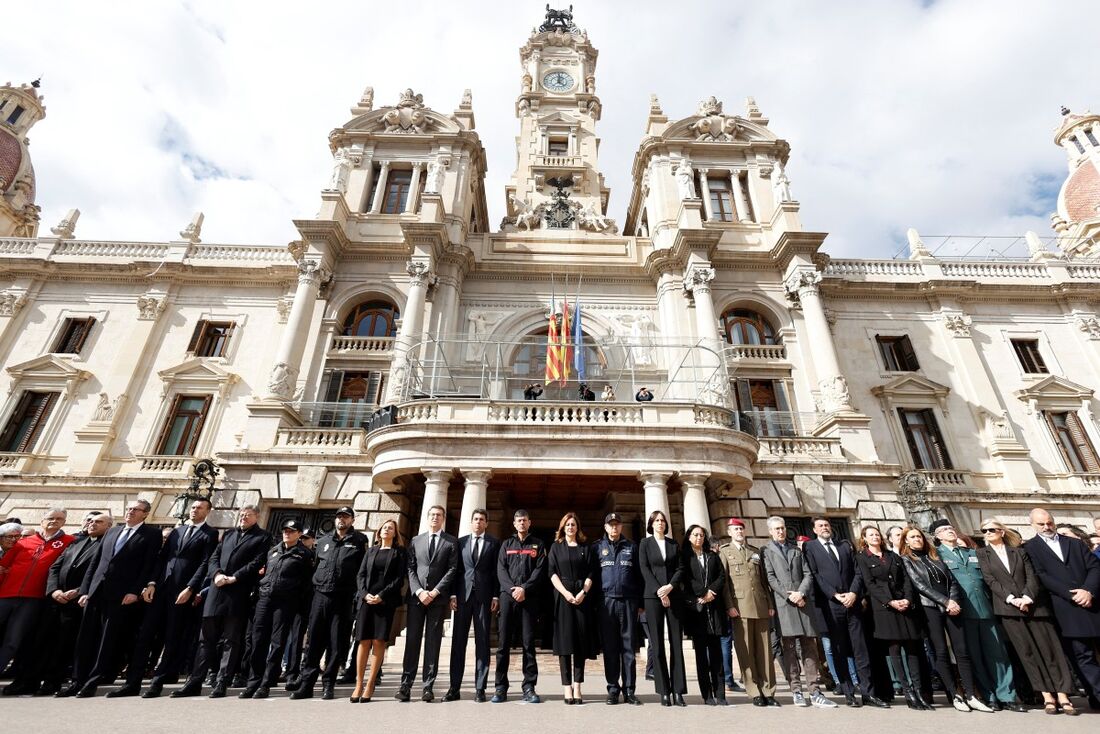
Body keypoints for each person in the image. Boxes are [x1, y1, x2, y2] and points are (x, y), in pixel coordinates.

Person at [108, 498, 220, 698]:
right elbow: (162, 557)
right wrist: (151, 583)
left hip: (181, 591)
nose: (194, 510)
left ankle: (157, 683)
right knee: (144, 636)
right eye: (193, 507)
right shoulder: (177, 531)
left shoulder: (210, 533)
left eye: (199, 508)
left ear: (208, 511)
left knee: (171, 638)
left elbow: (205, 563)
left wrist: (191, 588)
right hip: (160, 588)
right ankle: (132, 683)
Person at [977, 519, 1077, 715]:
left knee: (1050, 650)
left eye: (991, 530)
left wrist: (1027, 596)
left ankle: (1063, 694)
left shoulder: (1020, 551)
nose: (987, 533)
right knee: (1027, 653)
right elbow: (990, 580)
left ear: (1002, 532)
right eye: (984, 531)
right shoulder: (982, 554)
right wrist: (1011, 599)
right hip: (1008, 609)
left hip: (1033, 606)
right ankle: (1047, 695)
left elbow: (1032, 576)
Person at [63, 501, 161, 698]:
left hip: (122, 594)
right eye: (129, 509)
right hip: (97, 591)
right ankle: (77, 680)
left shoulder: (152, 534)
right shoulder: (112, 531)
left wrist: (135, 591)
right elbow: (96, 562)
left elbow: (149, 565)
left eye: (136, 510)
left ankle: (93, 681)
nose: (130, 512)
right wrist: (85, 591)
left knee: (107, 640)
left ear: (145, 514)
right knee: (86, 638)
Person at [171, 504, 270, 698]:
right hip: (216, 592)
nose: (243, 517)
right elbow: (214, 557)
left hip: (237, 593)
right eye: (241, 514)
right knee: (204, 640)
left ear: (256, 517)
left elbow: (257, 562)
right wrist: (216, 574)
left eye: (248, 515)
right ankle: (195, 681)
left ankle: (222, 682)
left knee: (230, 641)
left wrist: (235, 577)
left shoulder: (262, 537)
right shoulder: (229, 534)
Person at [932, 519, 1022, 711]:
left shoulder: (973, 553)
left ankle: (1008, 695)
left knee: (998, 654)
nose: (950, 531)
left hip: (986, 609)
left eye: (951, 528)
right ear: (937, 537)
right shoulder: (937, 556)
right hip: (962, 613)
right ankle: (989, 696)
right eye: (944, 530)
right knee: (975, 657)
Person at [900, 526, 990, 713]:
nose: (917, 539)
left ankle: (971, 694)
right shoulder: (907, 560)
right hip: (929, 607)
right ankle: (954, 693)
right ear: (906, 541)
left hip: (951, 606)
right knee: (940, 651)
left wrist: (954, 600)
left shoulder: (935, 556)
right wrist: (944, 601)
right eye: (912, 537)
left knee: (962, 650)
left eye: (919, 536)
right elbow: (919, 585)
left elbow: (952, 580)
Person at [801, 517, 886, 708]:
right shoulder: (810, 547)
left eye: (827, 525)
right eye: (820, 526)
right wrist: (834, 595)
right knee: (839, 650)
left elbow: (857, 572)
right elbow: (814, 575)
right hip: (831, 606)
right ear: (814, 530)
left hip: (852, 604)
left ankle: (868, 694)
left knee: (861, 650)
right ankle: (849, 693)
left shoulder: (844, 545)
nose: (824, 528)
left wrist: (854, 593)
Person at [1022, 508, 1100, 705]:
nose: (1047, 527)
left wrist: (1088, 590)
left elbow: (1094, 567)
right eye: (1041, 524)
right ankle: (1096, 695)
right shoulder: (1029, 548)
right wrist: (1071, 594)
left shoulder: (1074, 543)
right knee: (1081, 656)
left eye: (1049, 522)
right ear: (1032, 525)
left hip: (1092, 603)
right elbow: (1041, 575)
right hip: (1065, 608)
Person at [291, 506, 368, 700]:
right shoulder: (323, 541)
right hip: (320, 596)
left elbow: (362, 571)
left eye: (346, 517)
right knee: (314, 641)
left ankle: (328, 683)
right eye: (339, 517)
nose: (341, 520)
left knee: (336, 643)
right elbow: (315, 566)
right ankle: (307, 684)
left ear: (352, 520)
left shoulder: (359, 541)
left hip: (342, 597)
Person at [31, 512, 110, 696]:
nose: (92, 524)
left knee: (68, 646)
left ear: (108, 527)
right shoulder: (76, 542)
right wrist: (54, 590)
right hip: (57, 600)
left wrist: (79, 590)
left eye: (98, 522)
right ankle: (38, 681)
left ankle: (64, 682)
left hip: (80, 602)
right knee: (46, 642)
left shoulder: (106, 545)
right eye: (90, 521)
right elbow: (55, 567)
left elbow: (100, 571)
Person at [761, 516, 835, 708]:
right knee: (789, 650)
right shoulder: (766, 551)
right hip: (784, 604)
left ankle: (815, 691)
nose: (780, 531)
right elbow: (770, 577)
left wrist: (801, 592)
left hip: (803, 603)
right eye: (776, 529)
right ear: (770, 531)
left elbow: (808, 573)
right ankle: (796, 690)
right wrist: (789, 595)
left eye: (783, 528)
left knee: (809, 647)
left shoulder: (796, 549)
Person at [853, 526, 927, 710]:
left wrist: (907, 599)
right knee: (895, 650)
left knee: (912, 649)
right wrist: (890, 601)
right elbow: (870, 584)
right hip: (885, 609)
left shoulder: (893, 556)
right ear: (864, 538)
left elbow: (906, 580)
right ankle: (907, 691)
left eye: (877, 534)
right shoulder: (862, 558)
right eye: (871, 535)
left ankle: (918, 691)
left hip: (904, 605)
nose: (875, 537)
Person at [0, 507, 73, 692]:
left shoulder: (69, 542)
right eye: (50, 518)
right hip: (5, 595)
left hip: (34, 600)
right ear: (42, 520)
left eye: (59, 519)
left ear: (64, 522)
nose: (54, 521)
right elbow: (3, 565)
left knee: (13, 641)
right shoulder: (24, 542)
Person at [239, 519, 314, 699]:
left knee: (277, 643)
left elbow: (306, 583)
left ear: (298, 534)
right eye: (285, 530)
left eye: (291, 531)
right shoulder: (272, 551)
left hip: (285, 603)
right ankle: (253, 682)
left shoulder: (304, 554)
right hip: (265, 600)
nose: (287, 533)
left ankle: (266, 683)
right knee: (257, 641)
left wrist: (299, 605)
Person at [396, 504, 458, 703]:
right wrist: (420, 591)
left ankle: (427, 687)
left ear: (443, 518)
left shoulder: (451, 542)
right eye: (432, 515)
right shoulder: (416, 540)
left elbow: (452, 569)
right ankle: (405, 685)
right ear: (427, 517)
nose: (435, 518)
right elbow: (411, 568)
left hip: (437, 600)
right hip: (417, 599)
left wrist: (435, 591)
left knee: (433, 643)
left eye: (439, 515)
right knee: (412, 641)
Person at [720, 518, 777, 707]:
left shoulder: (755, 551)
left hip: (760, 604)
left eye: (741, 529)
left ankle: (768, 690)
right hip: (740, 606)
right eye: (735, 529)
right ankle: (753, 691)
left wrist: (769, 603)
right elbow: (725, 583)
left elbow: (762, 581)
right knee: (746, 651)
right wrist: (729, 605)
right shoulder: (725, 551)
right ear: (729, 532)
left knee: (765, 652)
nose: (739, 532)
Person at [446, 508, 500, 702]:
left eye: (482, 519)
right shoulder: (460, 543)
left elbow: (496, 572)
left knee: (483, 643)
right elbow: (455, 570)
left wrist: (495, 596)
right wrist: (452, 594)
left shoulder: (494, 543)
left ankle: (480, 688)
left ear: (486, 523)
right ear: (471, 522)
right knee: (458, 643)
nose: (478, 522)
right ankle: (454, 688)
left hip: (484, 598)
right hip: (462, 597)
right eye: (475, 519)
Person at [493, 509, 546, 704]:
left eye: (524, 520)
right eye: (518, 521)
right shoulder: (506, 544)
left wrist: (524, 588)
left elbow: (540, 571)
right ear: (514, 524)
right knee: (503, 645)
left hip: (529, 599)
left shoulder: (538, 545)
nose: (522, 523)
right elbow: (500, 570)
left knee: (528, 644)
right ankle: (500, 687)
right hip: (507, 598)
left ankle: (529, 686)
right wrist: (512, 589)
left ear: (529, 522)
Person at [351, 519, 406, 702]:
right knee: (363, 641)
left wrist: (381, 595)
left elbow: (399, 579)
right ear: (379, 531)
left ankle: (370, 684)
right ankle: (359, 683)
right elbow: (361, 575)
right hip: (367, 601)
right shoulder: (371, 551)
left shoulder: (399, 553)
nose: (386, 530)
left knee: (378, 640)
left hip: (385, 602)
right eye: (384, 527)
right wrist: (365, 594)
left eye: (390, 528)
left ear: (395, 533)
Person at [639, 510, 687, 707]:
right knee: (657, 644)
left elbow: (680, 568)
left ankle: (678, 691)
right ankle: (663, 691)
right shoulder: (645, 544)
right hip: (653, 596)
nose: (660, 523)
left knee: (676, 643)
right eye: (657, 520)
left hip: (673, 595)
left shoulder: (674, 544)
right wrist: (660, 590)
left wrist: (669, 587)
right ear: (651, 524)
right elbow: (644, 568)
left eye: (663, 520)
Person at [548, 512, 596, 705]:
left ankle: (578, 685)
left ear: (578, 528)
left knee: (580, 644)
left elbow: (592, 572)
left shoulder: (586, 547)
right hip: (563, 597)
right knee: (565, 643)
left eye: (573, 525)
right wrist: (565, 593)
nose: (570, 528)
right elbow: (551, 572)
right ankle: (566, 686)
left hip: (582, 597)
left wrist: (582, 593)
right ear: (563, 527)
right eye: (567, 525)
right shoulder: (555, 547)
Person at [594, 511, 642, 705]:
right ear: (605, 527)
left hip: (628, 602)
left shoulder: (632, 547)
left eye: (617, 524)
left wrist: (641, 603)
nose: (614, 527)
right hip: (607, 603)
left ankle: (629, 690)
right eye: (610, 524)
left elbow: (640, 576)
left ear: (621, 527)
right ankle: (613, 689)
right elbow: (594, 577)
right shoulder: (597, 548)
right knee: (611, 648)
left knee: (629, 649)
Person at [681, 524, 727, 705]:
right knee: (701, 656)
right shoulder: (684, 557)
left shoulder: (712, 556)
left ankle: (721, 693)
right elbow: (686, 580)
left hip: (714, 610)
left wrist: (711, 593)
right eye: (695, 535)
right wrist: (702, 593)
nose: (699, 538)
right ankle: (707, 694)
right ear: (689, 537)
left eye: (701, 535)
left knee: (717, 655)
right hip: (697, 612)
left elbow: (721, 577)